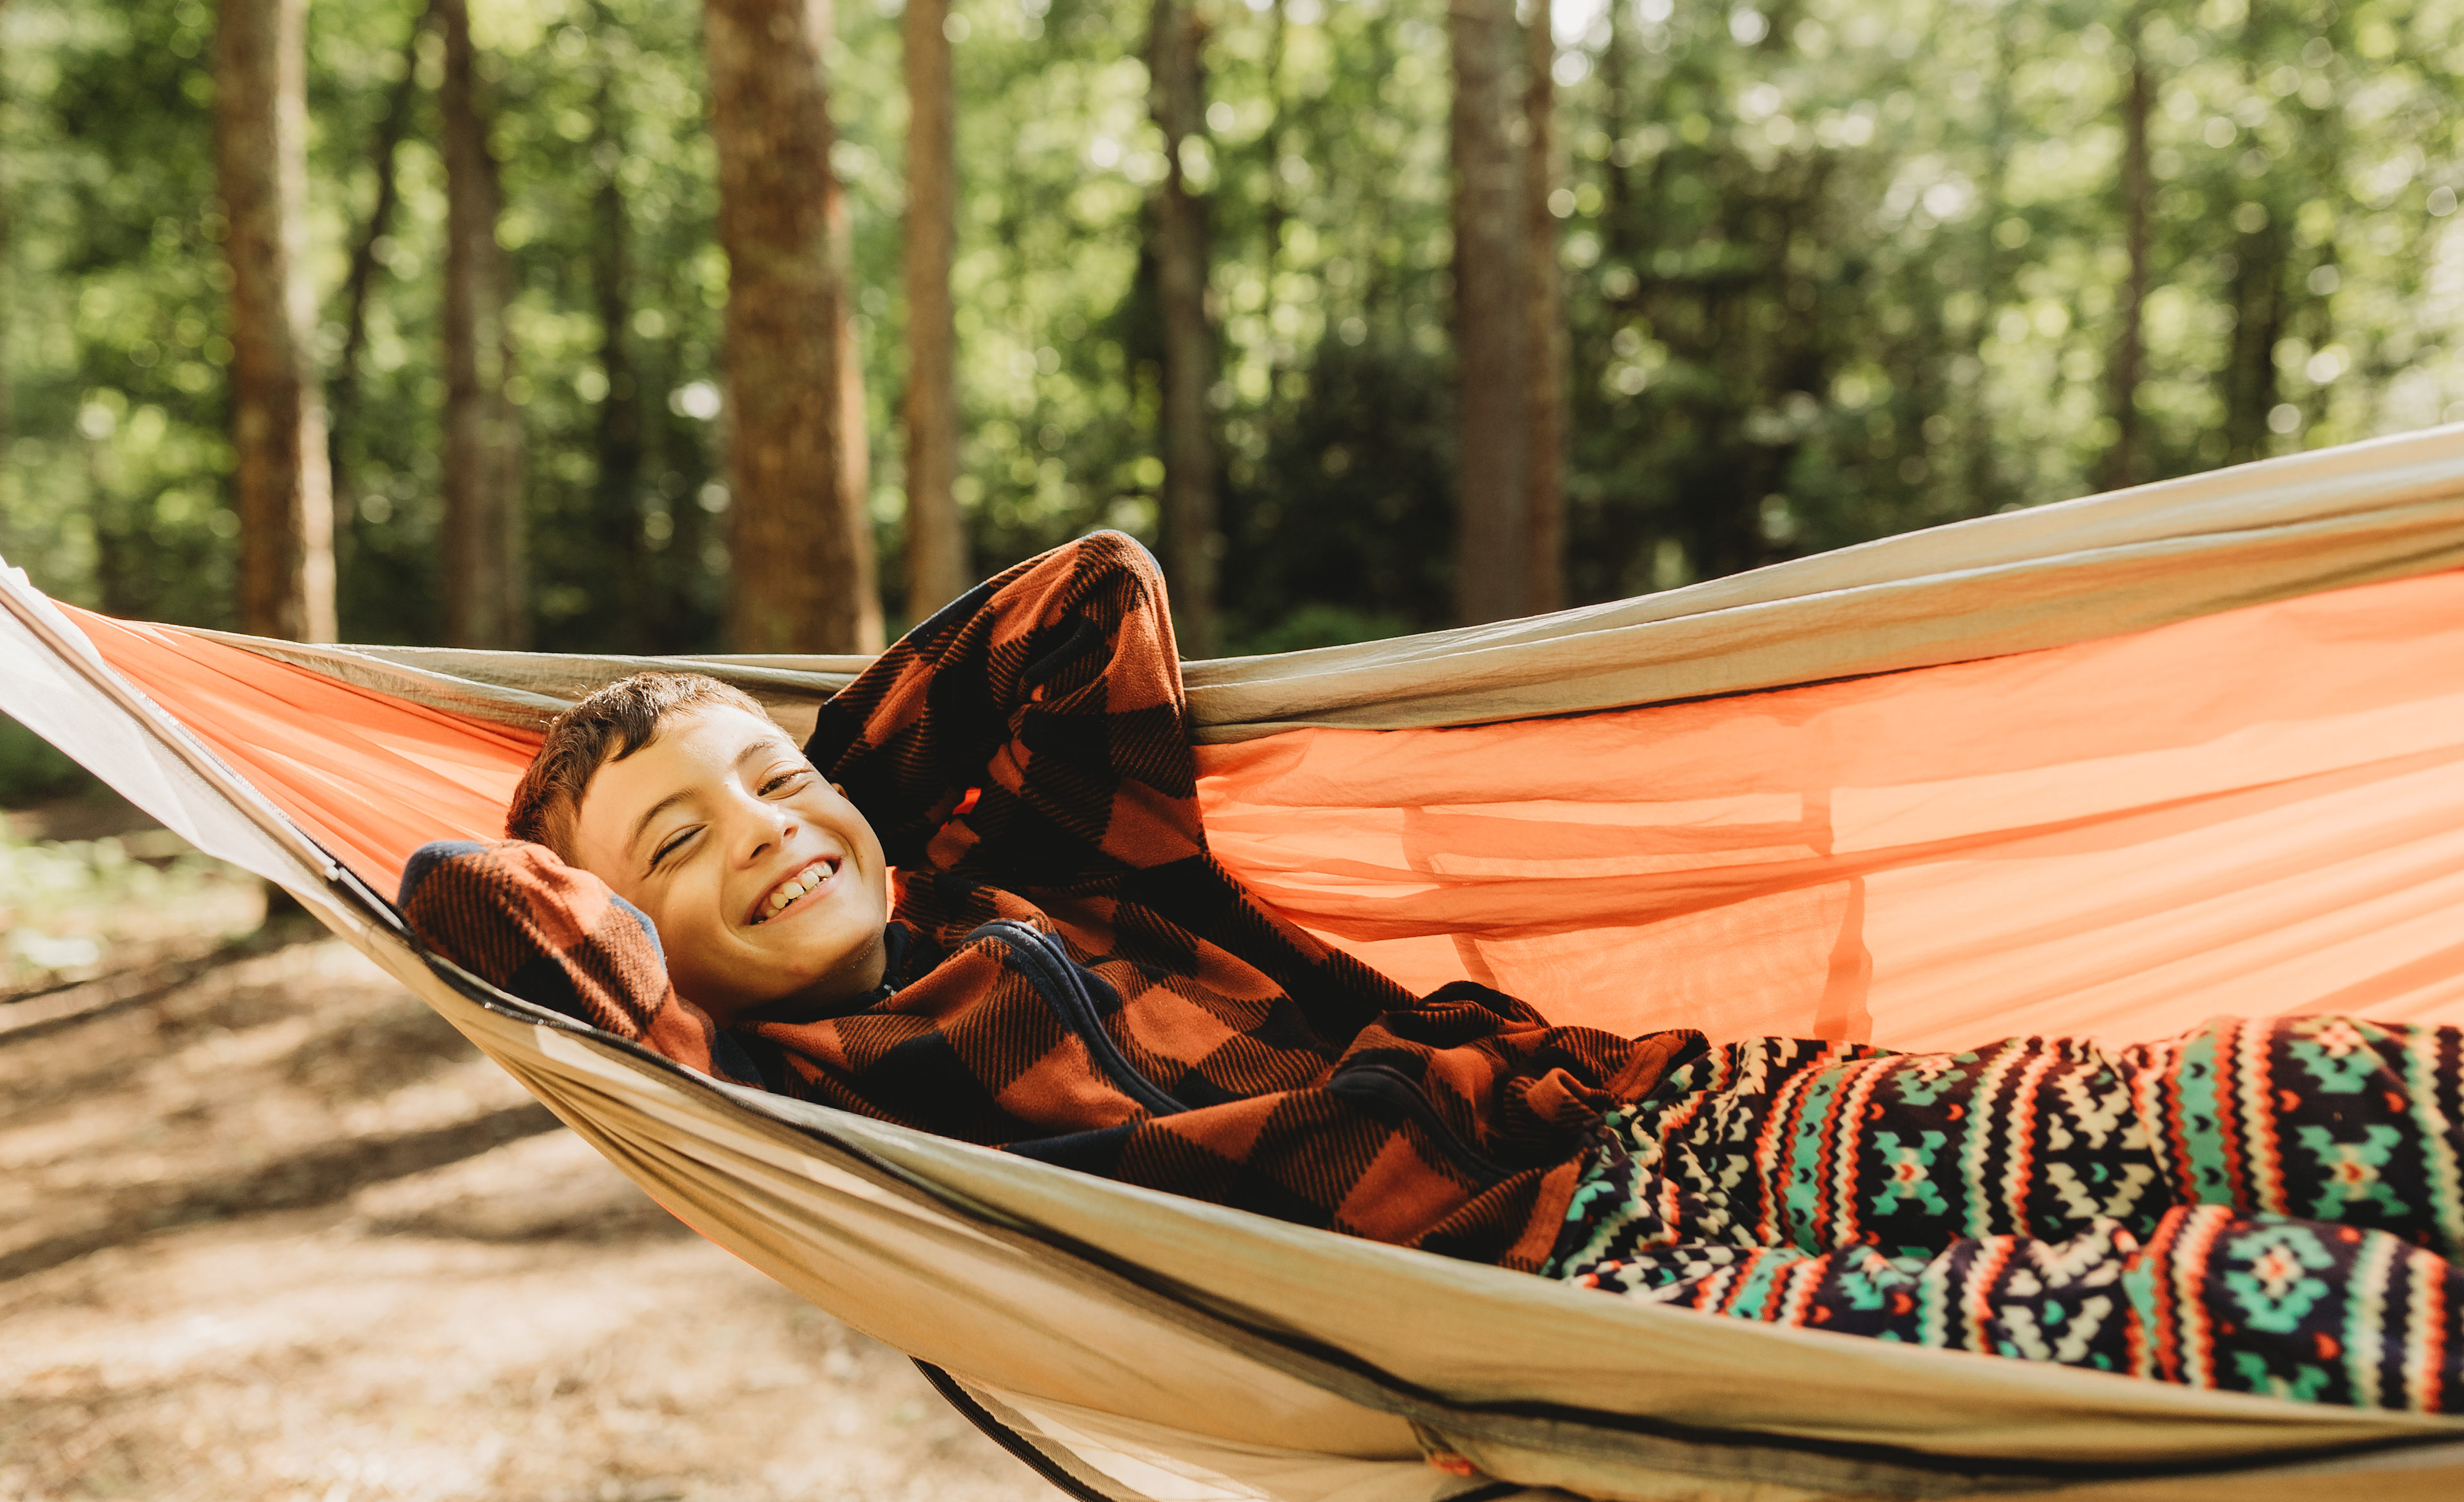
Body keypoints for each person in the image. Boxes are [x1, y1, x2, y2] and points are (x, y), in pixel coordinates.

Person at [400, 531, 2464, 1413]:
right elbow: (503, 921)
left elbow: (1084, 601)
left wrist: (803, 785)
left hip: (1651, 1101)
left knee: (2300, 1102)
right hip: (1549, 1281)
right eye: (685, 844)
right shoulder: (807, 1089)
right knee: (2232, 1317)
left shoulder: (1021, 853)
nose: (759, 830)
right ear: (647, 945)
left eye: (778, 781)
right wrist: (639, 860)